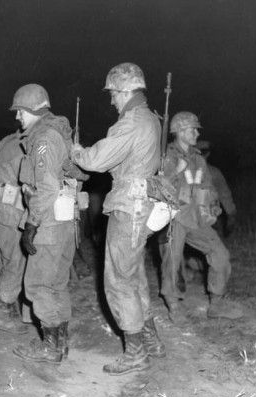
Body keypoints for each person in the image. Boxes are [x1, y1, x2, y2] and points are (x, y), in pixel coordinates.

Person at [71, 63, 165, 375]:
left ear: (124, 91)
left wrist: (77, 152)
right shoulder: (151, 119)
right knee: (134, 274)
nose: (111, 100)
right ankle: (151, 341)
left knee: (119, 279)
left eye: (113, 93)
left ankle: (136, 351)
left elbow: (98, 159)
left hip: (129, 206)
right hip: (143, 205)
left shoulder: (131, 121)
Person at [11, 84, 76, 364]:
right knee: (57, 284)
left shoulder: (44, 138)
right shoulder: (58, 134)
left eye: (21, 112)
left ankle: (50, 347)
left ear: (33, 111)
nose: (17, 118)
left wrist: (31, 225)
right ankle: (60, 343)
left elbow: (46, 188)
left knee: (38, 286)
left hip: (47, 222)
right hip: (63, 220)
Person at [160, 112, 241, 322]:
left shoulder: (198, 159)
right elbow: (158, 188)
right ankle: (174, 305)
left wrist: (214, 206)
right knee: (172, 259)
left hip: (196, 218)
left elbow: (209, 188)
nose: (197, 133)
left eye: (197, 129)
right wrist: (172, 172)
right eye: (192, 129)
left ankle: (217, 303)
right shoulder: (166, 156)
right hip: (173, 218)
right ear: (179, 131)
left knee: (220, 254)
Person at [0, 131, 28, 334]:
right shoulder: (29, 141)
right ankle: (4, 311)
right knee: (16, 259)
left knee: (3, 257)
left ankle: (8, 308)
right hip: (13, 207)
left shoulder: (6, 139)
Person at [195, 140, 237, 236]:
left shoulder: (184, 171)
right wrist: (231, 213)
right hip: (209, 215)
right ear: (208, 154)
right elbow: (224, 194)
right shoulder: (214, 172)